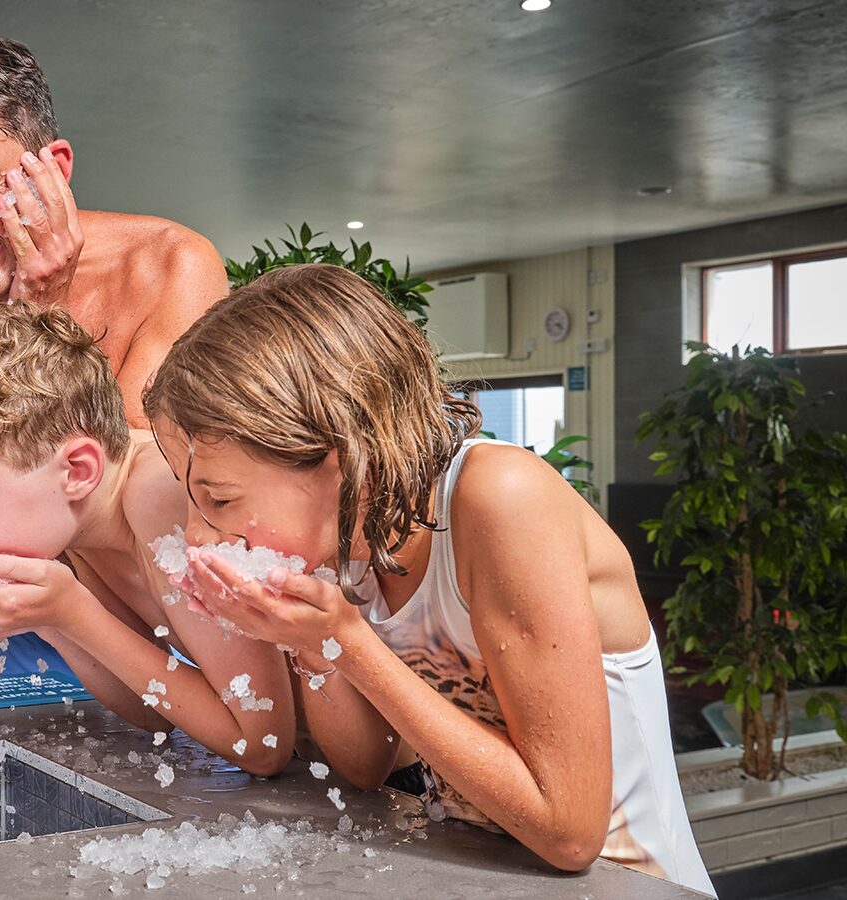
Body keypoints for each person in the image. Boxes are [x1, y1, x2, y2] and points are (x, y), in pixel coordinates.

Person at [142, 264, 714, 892]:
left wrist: (350, 642)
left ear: (337, 453)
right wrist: (311, 640)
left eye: (218, 500)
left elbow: (570, 831)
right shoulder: (350, 547)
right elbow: (364, 766)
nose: (198, 535)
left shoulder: (501, 500)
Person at [0, 27, 230, 676]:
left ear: (53, 171)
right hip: (13, 621)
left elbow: (121, 510)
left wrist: (45, 316)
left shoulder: (171, 268)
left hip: (175, 642)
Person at [0, 303, 296, 776]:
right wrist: (48, 620)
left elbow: (263, 745)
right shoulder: (78, 521)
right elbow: (152, 710)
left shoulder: (161, 494)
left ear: (78, 470)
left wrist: (74, 613)